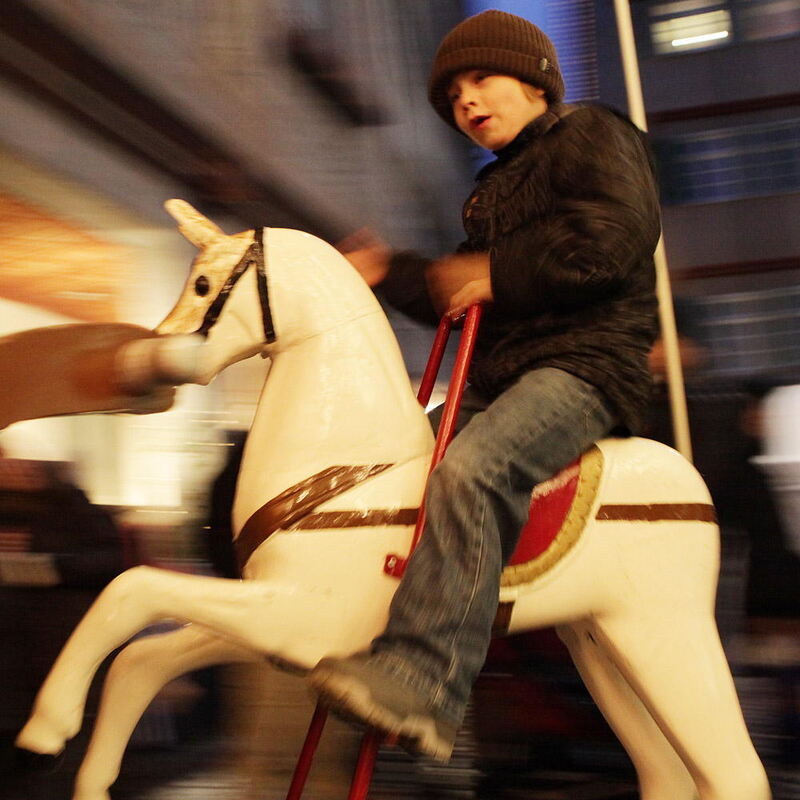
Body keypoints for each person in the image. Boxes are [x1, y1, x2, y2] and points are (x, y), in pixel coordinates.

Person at [309, 9, 661, 762]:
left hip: (584, 363)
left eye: (481, 80)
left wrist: (494, 275)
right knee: (400, 470)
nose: (466, 101)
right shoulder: (494, 190)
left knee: (474, 470)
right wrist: (386, 273)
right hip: (506, 368)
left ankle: (425, 684)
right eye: (453, 96)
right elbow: (454, 286)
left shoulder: (594, 134)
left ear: (535, 81)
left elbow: (611, 241)